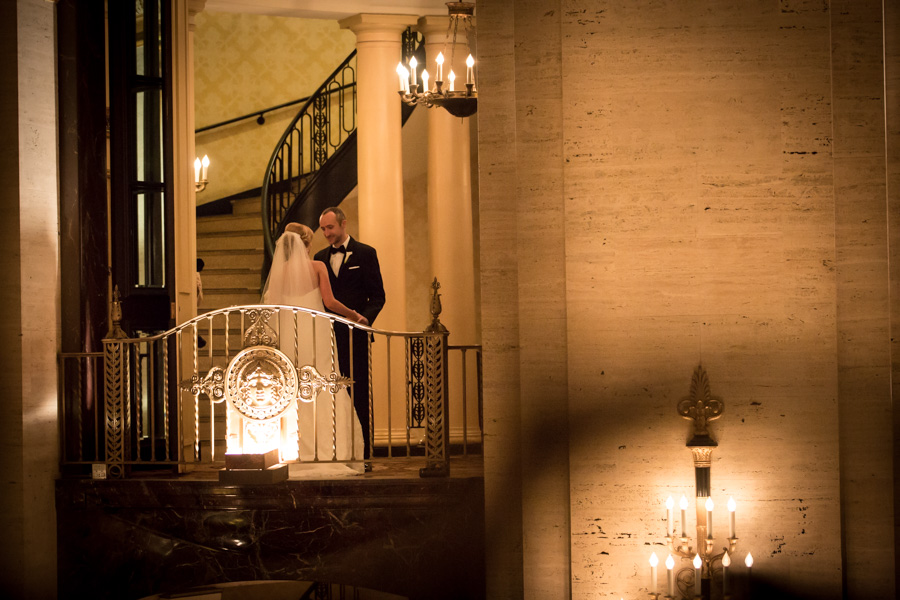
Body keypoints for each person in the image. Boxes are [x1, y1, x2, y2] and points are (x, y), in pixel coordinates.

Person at [261, 222, 366, 472]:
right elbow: (329, 302)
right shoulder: (318, 266)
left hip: (288, 334)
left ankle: (291, 449)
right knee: (323, 383)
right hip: (315, 331)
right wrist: (354, 315)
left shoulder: (278, 273)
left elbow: (271, 306)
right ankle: (330, 451)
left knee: (293, 385)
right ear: (306, 245)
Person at [314, 207, 385, 461]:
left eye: (330, 227)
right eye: (322, 229)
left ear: (344, 224)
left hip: (356, 336)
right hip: (327, 338)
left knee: (359, 394)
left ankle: (365, 454)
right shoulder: (319, 257)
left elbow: (378, 296)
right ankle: (336, 452)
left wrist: (364, 319)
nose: (326, 233)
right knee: (331, 394)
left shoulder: (366, 253)